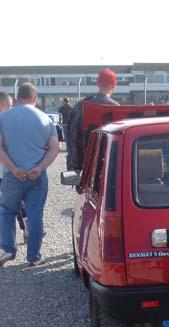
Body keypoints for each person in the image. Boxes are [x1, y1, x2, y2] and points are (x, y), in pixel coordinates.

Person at [0, 83, 59, 266]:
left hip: (13, 175)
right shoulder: (46, 119)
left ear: (17, 98)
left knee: (7, 211)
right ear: (35, 98)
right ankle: (34, 256)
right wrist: (40, 167)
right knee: (35, 216)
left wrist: (13, 168)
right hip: (36, 175)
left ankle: (8, 249)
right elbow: (54, 148)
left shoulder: (3, 118)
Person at [67, 68, 119, 171]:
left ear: (98, 84)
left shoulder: (80, 105)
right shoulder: (115, 108)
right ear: (113, 86)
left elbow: (70, 134)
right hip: (107, 165)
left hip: (82, 164)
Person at [0, 92, 28, 242]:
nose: (12, 108)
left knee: (13, 202)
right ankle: (26, 228)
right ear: (2, 105)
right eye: (10, 106)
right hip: (8, 170)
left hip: (8, 170)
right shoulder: (7, 122)